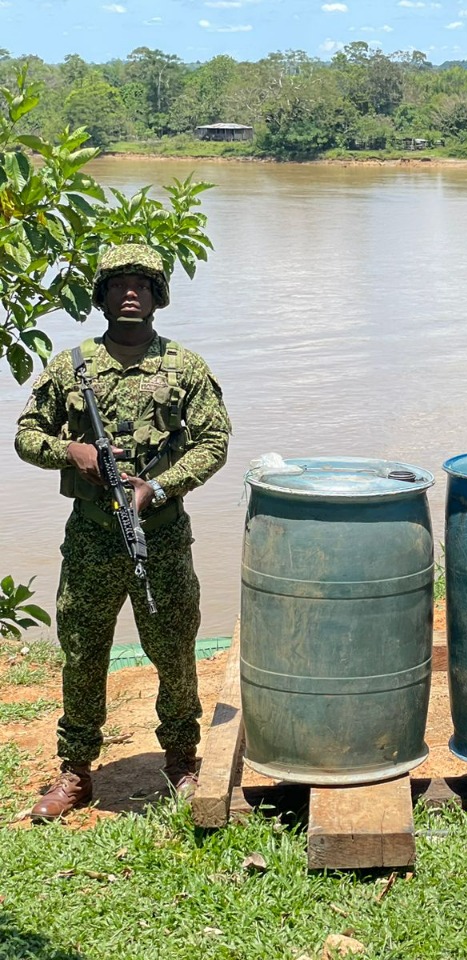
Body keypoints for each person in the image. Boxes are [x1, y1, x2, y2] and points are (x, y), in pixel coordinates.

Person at [14, 243, 232, 820]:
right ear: (103, 296)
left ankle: (182, 760)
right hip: (90, 537)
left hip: (159, 534)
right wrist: (73, 451)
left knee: (174, 648)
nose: (129, 292)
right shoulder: (72, 367)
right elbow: (25, 435)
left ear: (158, 296)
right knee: (83, 651)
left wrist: (155, 489)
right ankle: (76, 771)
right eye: (117, 284)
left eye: (140, 283)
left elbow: (214, 443)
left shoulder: (184, 368)